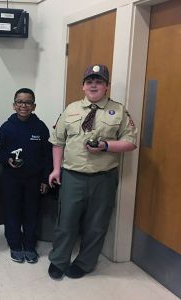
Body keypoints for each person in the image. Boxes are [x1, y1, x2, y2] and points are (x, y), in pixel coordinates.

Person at [47, 64, 138, 279]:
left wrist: (106, 146)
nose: (94, 85)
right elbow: (57, 142)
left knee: (96, 224)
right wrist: (56, 169)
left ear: (106, 86)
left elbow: (131, 142)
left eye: (99, 82)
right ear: (83, 86)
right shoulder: (71, 109)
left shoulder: (119, 111)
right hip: (72, 175)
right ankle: (58, 260)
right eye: (90, 82)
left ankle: (85, 263)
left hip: (103, 178)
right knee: (65, 221)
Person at [0, 88, 53, 264]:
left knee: (31, 213)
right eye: (20, 102)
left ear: (34, 106)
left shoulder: (40, 128)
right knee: (12, 212)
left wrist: (45, 179)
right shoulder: (6, 128)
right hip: (11, 179)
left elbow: (47, 156)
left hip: (33, 180)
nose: (23, 105)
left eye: (28, 102)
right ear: (14, 105)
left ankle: (29, 244)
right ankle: (15, 244)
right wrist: (7, 160)